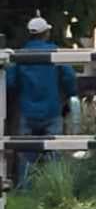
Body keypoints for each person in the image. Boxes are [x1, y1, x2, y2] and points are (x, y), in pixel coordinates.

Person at [5, 16, 77, 187]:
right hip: (52, 110)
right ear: (46, 33)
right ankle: (56, 188)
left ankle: (25, 189)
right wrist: (70, 95)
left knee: (26, 157)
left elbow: (9, 83)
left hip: (27, 111)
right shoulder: (54, 53)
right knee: (54, 155)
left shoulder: (20, 56)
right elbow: (69, 78)